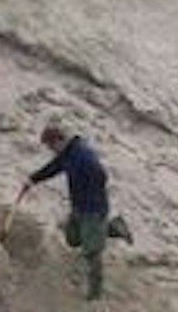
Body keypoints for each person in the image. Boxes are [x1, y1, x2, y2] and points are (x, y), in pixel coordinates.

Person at [25, 121, 131, 299]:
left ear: (58, 141)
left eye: (51, 147)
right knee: (73, 238)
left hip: (93, 209)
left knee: (92, 251)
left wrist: (91, 197)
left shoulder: (84, 155)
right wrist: (33, 179)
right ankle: (114, 227)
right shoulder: (66, 154)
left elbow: (101, 175)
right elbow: (54, 167)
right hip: (78, 206)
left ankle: (95, 292)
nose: (51, 151)